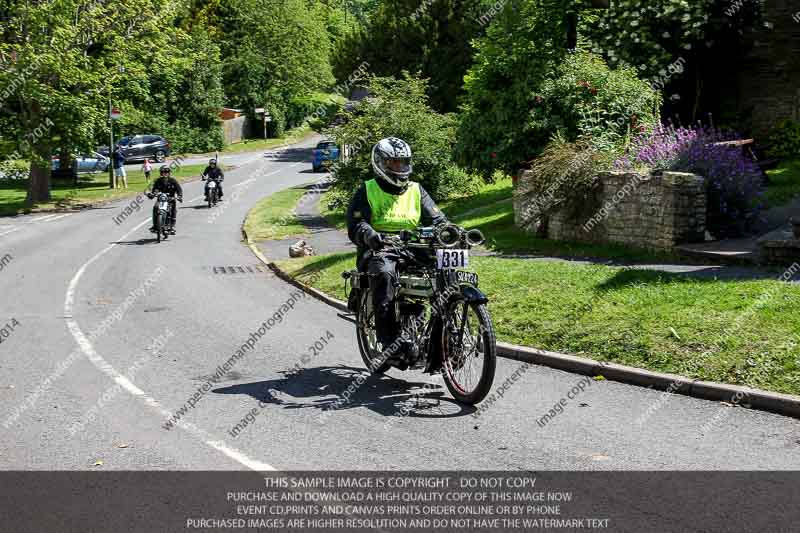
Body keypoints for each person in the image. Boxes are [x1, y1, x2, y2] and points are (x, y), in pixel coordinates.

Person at [346, 137, 447, 365]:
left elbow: (438, 218)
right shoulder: (367, 189)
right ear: (381, 164)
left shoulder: (416, 190)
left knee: (444, 271)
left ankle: (445, 338)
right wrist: (370, 235)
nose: (400, 168)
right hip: (380, 249)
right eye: (394, 163)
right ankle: (389, 341)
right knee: (384, 274)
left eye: (404, 163)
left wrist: (449, 231)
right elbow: (356, 225)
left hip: (413, 248)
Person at [148, 165, 183, 234]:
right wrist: (152, 194)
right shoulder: (158, 181)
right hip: (160, 199)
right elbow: (155, 189)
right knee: (155, 207)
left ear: (169, 172)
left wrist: (179, 196)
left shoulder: (173, 180)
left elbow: (179, 189)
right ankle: (155, 226)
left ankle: (172, 226)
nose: (165, 173)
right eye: (163, 172)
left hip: (171, 199)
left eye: (167, 172)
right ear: (161, 173)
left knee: (172, 210)